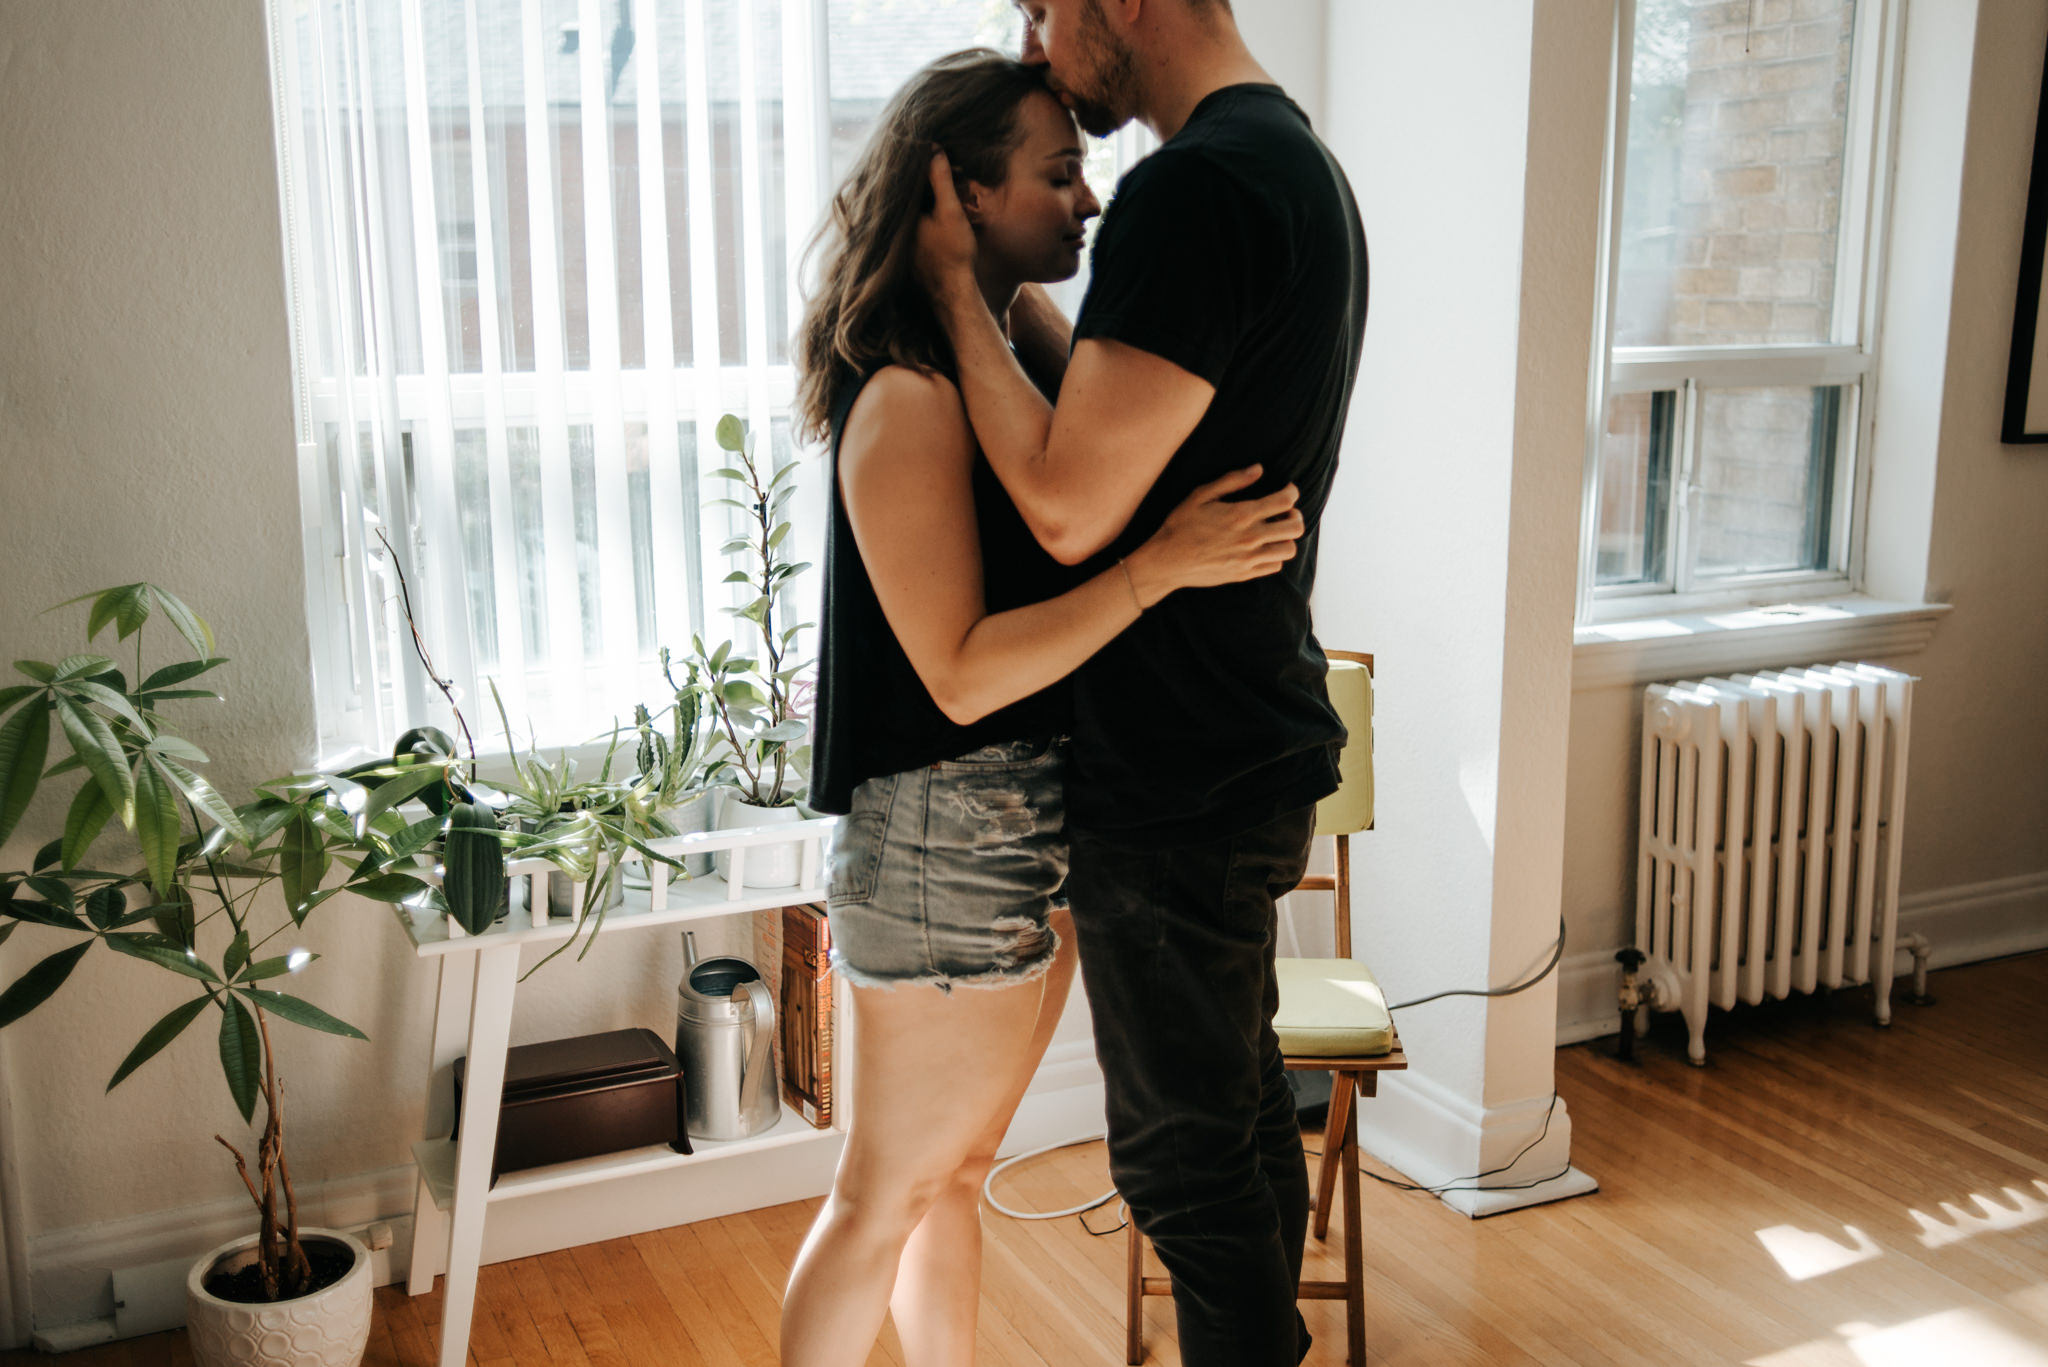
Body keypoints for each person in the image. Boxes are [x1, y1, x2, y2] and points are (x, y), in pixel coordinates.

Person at [781, 50, 1307, 1367]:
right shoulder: (904, 401)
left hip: (1020, 831)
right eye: (1060, 172)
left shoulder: (999, 351)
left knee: (945, 1185)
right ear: (957, 195)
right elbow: (957, 669)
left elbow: (1114, 452)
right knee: (878, 1198)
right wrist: (1157, 572)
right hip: (944, 845)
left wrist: (978, 291)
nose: (1091, 201)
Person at [913, 2, 1371, 1363]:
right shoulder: (1291, 165)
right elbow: (1136, 430)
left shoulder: (1195, 187)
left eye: (1046, 10)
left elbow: (1064, 505)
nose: (1041, 43)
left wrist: (949, 287)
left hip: (1178, 768)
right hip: (1251, 735)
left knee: (1181, 1158)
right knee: (1236, 1115)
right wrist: (1013, 291)